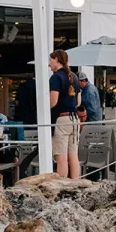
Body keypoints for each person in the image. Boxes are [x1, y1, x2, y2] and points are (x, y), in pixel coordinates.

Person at [48, 50, 81, 179]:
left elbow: (53, 102)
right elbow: (78, 102)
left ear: (56, 59)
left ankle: (61, 187)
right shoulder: (74, 77)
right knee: (73, 156)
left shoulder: (56, 77)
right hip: (74, 119)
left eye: (50, 60)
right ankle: (76, 184)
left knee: (61, 158)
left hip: (61, 119)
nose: (49, 64)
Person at [10, 77, 36, 141]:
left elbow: (17, 102)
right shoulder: (39, 85)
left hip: (22, 117)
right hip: (35, 117)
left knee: (21, 138)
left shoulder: (22, 86)